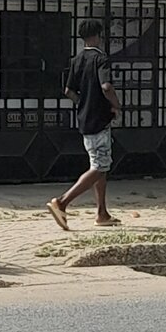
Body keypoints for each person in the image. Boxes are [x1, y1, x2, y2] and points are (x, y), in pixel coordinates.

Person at [47, 20, 121, 231]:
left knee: (98, 165)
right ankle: (62, 202)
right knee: (100, 166)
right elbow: (106, 87)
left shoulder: (77, 60)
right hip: (100, 119)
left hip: (85, 118)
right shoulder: (100, 58)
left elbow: (68, 91)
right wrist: (116, 105)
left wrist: (84, 102)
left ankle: (102, 213)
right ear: (99, 35)